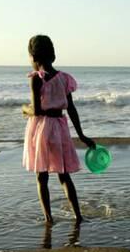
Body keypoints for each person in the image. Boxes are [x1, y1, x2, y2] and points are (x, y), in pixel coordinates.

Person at [22, 35, 95, 225]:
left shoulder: (36, 79)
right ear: (52, 56)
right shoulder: (64, 79)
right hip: (60, 128)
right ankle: (78, 216)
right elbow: (71, 108)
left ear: (33, 58)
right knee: (64, 175)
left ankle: (48, 218)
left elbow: (37, 110)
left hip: (42, 128)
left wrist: (24, 109)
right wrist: (81, 135)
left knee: (42, 176)